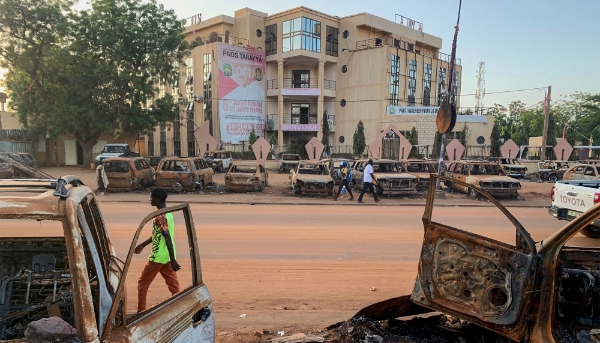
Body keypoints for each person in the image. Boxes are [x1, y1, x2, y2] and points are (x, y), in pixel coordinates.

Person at [135, 188, 181, 312]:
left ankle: (141, 312)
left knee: (142, 284)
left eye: (151, 198)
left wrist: (173, 261)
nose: (150, 200)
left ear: (157, 199)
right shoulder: (168, 213)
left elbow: (167, 237)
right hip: (166, 256)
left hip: (158, 257)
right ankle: (180, 309)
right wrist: (143, 245)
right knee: (174, 287)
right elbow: (158, 235)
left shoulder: (160, 216)